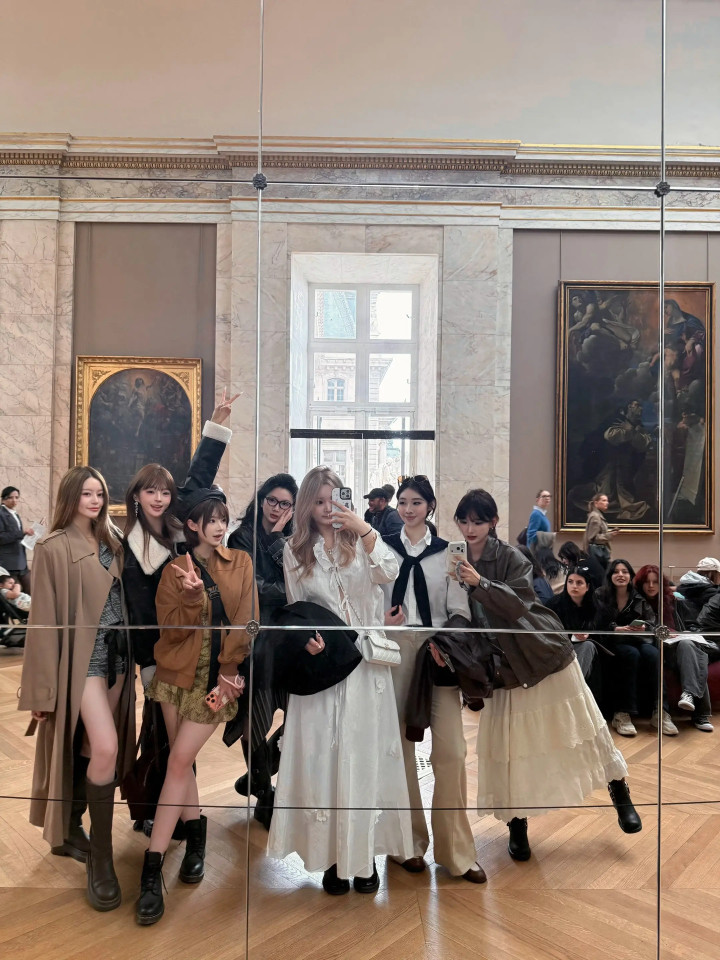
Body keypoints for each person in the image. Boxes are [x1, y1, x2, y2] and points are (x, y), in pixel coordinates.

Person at [452, 489, 640, 864]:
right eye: (464, 521)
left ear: (493, 522)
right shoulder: (453, 559)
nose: (470, 528)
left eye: (478, 521)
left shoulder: (510, 556)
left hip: (543, 650)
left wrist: (480, 583)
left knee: (585, 724)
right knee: (510, 747)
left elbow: (520, 602)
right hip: (503, 667)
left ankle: (619, 790)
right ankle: (516, 825)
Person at [267, 466, 413, 895]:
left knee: (364, 757)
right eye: (318, 501)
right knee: (325, 760)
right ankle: (333, 856)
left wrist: (363, 529)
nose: (327, 508)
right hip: (325, 665)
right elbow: (297, 607)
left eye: (333, 500)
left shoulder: (363, 541)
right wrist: (308, 641)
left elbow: (390, 571)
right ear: (307, 506)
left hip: (366, 665)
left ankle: (364, 857)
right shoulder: (295, 550)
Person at [135, 489, 256, 925]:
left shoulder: (240, 562)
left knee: (178, 762)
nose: (220, 527)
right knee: (180, 764)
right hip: (175, 678)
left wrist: (230, 668)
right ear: (192, 525)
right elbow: (169, 631)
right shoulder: (174, 570)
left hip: (215, 682)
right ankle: (196, 841)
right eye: (211, 520)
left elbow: (248, 621)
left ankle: (151, 871)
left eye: (224, 519)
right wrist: (190, 597)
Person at [18, 466, 135, 912]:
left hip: (118, 660)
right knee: (106, 747)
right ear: (71, 496)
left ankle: (70, 828)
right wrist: (41, 692)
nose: (95, 500)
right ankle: (101, 861)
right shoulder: (53, 547)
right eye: (87, 493)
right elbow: (43, 623)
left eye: (100, 493)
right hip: (83, 660)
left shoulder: (114, 541)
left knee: (90, 746)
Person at [122, 390, 237, 835]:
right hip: (159, 658)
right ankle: (162, 815)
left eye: (165, 491)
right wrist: (147, 663)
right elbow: (136, 613)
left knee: (182, 743)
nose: (159, 498)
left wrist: (218, 423)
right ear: (136, 495)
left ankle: (183, 821)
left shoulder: (179, 528)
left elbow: (200, 472)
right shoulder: (128, 545)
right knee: (160, 738)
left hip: (196, 651)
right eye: (150, 491)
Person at [381, 476, 486, 884]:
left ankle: (456, 851)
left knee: (452, 752)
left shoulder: (448, 553)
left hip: (437, 652)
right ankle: (405, 843)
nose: (408, 509)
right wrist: (382, 619)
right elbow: (368, 599)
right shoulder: (382, 548)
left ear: (430, 507)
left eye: (416, 502)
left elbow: (460, 610)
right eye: (403, 502)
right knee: (400, 750)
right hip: (393, 650)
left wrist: (444, 641)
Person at [227, 473, 298, 826]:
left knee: (299, 715)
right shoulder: (241, 537)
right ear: (261, 499)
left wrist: (277, 538)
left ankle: (256, 775)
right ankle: (265, 792)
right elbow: (251, 587)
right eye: (272, 500)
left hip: (288, 639)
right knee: (254, 717)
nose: (277, 508)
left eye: (285, 504)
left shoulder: (294, 539)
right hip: (256, 639)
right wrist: (289, 592)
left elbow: (298, 577)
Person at [594, 559, 677, 738]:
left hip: (637, 639)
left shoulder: (637, 596)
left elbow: (651, 622)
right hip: (611, 641)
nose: (621, 575)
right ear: (610, 575)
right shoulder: (600, 594)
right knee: (630, 654)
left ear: (630, 576)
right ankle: (622, 714)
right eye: (616, 571)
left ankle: (660, 712)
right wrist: (615, 628)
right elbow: (596, 623)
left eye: (625, 571)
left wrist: (644, 627)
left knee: (654, 653)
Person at [634, 564, 714, 733]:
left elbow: (691, 624)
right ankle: (700, 713)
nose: (651, 586)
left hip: (677, 646)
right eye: (647, 582)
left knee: (689, 646)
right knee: (690, 652)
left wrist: (683, 633)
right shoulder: (636, 601)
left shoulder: (673, 600)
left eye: (655, 582)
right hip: (653, 647)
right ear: (641, 583)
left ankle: (690, 697)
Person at [545, 564, 604, 706]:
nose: (574, 586)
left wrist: (589, 635)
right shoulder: (554, 604)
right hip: (558, 649)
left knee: (588, 646)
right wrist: (570, 634)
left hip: (583, 651)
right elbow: (546, 632)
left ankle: (573, 690)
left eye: (579, 583)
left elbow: (602, 634)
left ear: (587, 587)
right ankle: (572, 693)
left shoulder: (596, 607)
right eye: (570, 582)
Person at [0, 485, 38, 593]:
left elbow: (17, 537)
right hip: (8, 564)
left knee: (32, 590)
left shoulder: (15, 514)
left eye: (17, 497)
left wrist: (29, 536)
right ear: (3, 499)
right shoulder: (1, 514)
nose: (14, 500)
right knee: (15, 596)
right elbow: (1, 537)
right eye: (11, 497)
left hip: (21, 563)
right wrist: (22, 533)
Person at [674, 557, 720, 630]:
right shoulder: (712, 592)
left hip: (684, 627)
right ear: (713, 574)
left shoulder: (682, 587)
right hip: (702, 629)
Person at [582, 492, 617, 569]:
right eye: (604, 500)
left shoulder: (597, 515)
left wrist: (609, 533)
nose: (607, 503)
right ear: (596, 503)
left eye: (607, 501)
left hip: (599, 554)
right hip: (598, 555)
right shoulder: (595, 517)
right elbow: (592, 538)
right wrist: (610, 535)